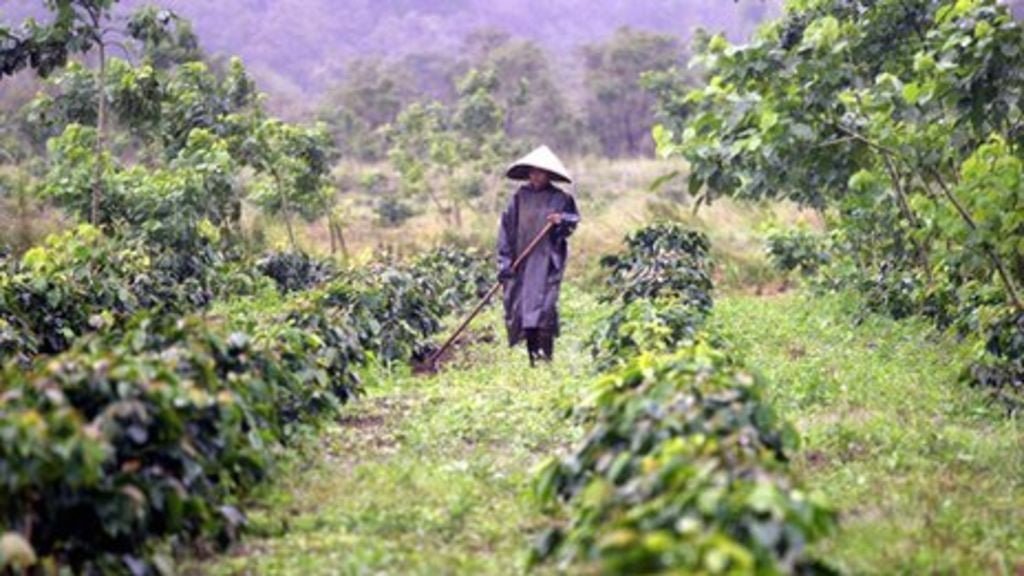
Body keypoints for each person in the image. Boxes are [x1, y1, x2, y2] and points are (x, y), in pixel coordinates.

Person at [497, 145, 580, 366]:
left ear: (549, 175)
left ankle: (546, 359)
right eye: (533, 172)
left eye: (540, 172)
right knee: (524, 314)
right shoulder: (519, 198)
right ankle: (533, 360)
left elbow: (572, 223)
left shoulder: (560, 198)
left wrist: (561, 220)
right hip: (521, 264)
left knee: (544, 312)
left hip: (546, 264)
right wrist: (505, 262)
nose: (536, 176)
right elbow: (506, 229)